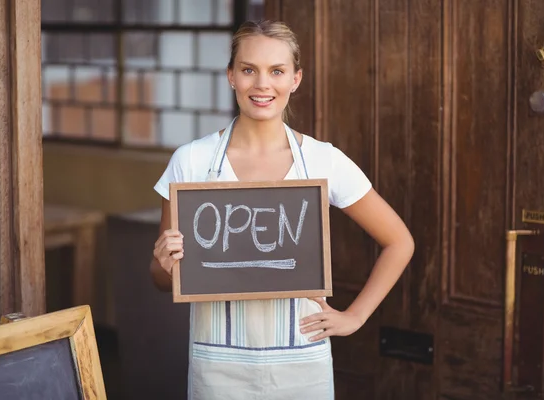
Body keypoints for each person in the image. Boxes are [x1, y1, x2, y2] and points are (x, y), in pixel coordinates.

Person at [151, 20, 414, 400]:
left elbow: (399, 241)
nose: (262, 84)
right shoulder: (191, 161)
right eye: (248, 70)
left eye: (277, 71)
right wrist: (163, 261)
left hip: (302, 366)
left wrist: (355, 316)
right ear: (231, 76)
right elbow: (161, 279)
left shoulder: (324, 161)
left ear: (296, 79)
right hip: (217, 366)